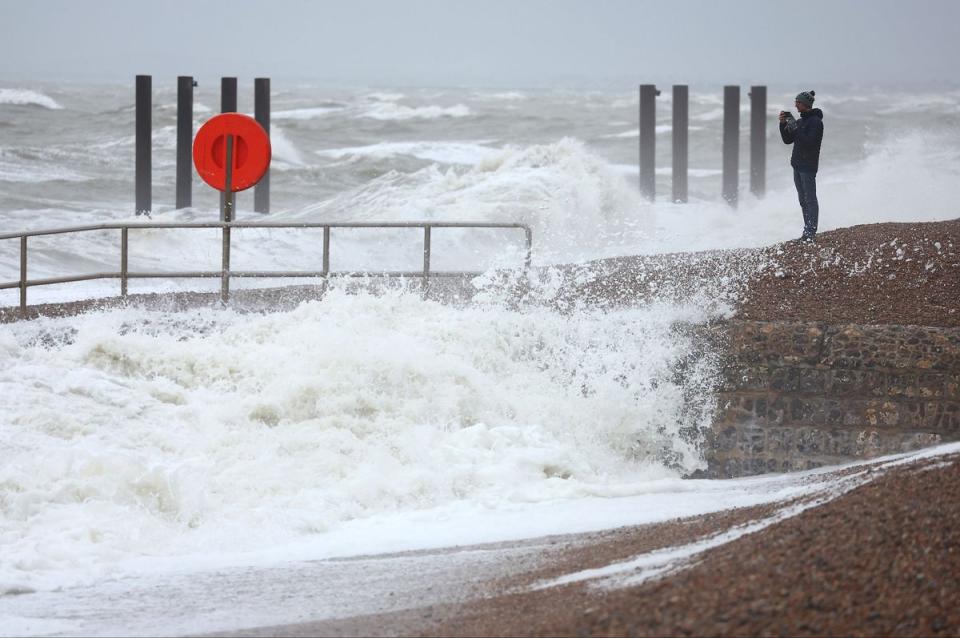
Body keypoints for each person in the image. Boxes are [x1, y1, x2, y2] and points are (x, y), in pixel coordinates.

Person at [779, 90, 824, 242]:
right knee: (802, 200)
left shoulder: (816, 122)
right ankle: (807, 231)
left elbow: (809, 142)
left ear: (805, 104)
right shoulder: (800, 121)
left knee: (810, 199)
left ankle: (811, 232)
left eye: (797, 102)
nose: (795, 105)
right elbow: (788, 140)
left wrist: (797, 130)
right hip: (797, 166)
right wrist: (782, 124)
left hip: (808, 167)